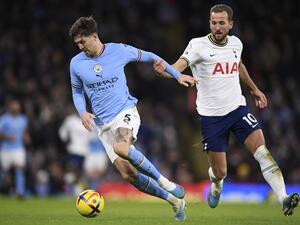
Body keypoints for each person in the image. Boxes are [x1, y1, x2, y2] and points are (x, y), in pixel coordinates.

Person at [153, 4, 299, 216]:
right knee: (221, 172)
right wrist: (164, 72)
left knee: (262, 152)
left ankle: (283, 198)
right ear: (210, 23)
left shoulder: (236, 43)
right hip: (211, 118)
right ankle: (217, 184)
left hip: (237, 109)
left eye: (222, 23)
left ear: (231, 24)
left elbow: (238, 65)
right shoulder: (198, 46)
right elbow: (177, 67)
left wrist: (254, 89)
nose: (217, 27)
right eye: (214, 22)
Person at [68, 16, 195, 221]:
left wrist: (176, 75)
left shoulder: (118, 50)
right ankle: (173, 201)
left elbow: (151, 56)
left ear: (94, 36)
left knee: (122, 148)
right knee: (129, 175)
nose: (80, 46)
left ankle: (164, 181)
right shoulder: (76, 64)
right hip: (102, 125)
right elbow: (76, 92)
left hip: (124, 112)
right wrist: (82, 112)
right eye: (77, 44)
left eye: (83, 41)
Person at [0, 99, 30, 197]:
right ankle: (6, 190)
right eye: (14, 106)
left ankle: (20, 192)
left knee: (19, 169)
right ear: (10, 107)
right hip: (6, 149)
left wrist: (26, 137)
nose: (16, 108)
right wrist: (6, 137)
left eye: (17, 106)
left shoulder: (23, 119)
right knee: (5, 172)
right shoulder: (4, 119)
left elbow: (24, 132)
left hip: (18, 148)